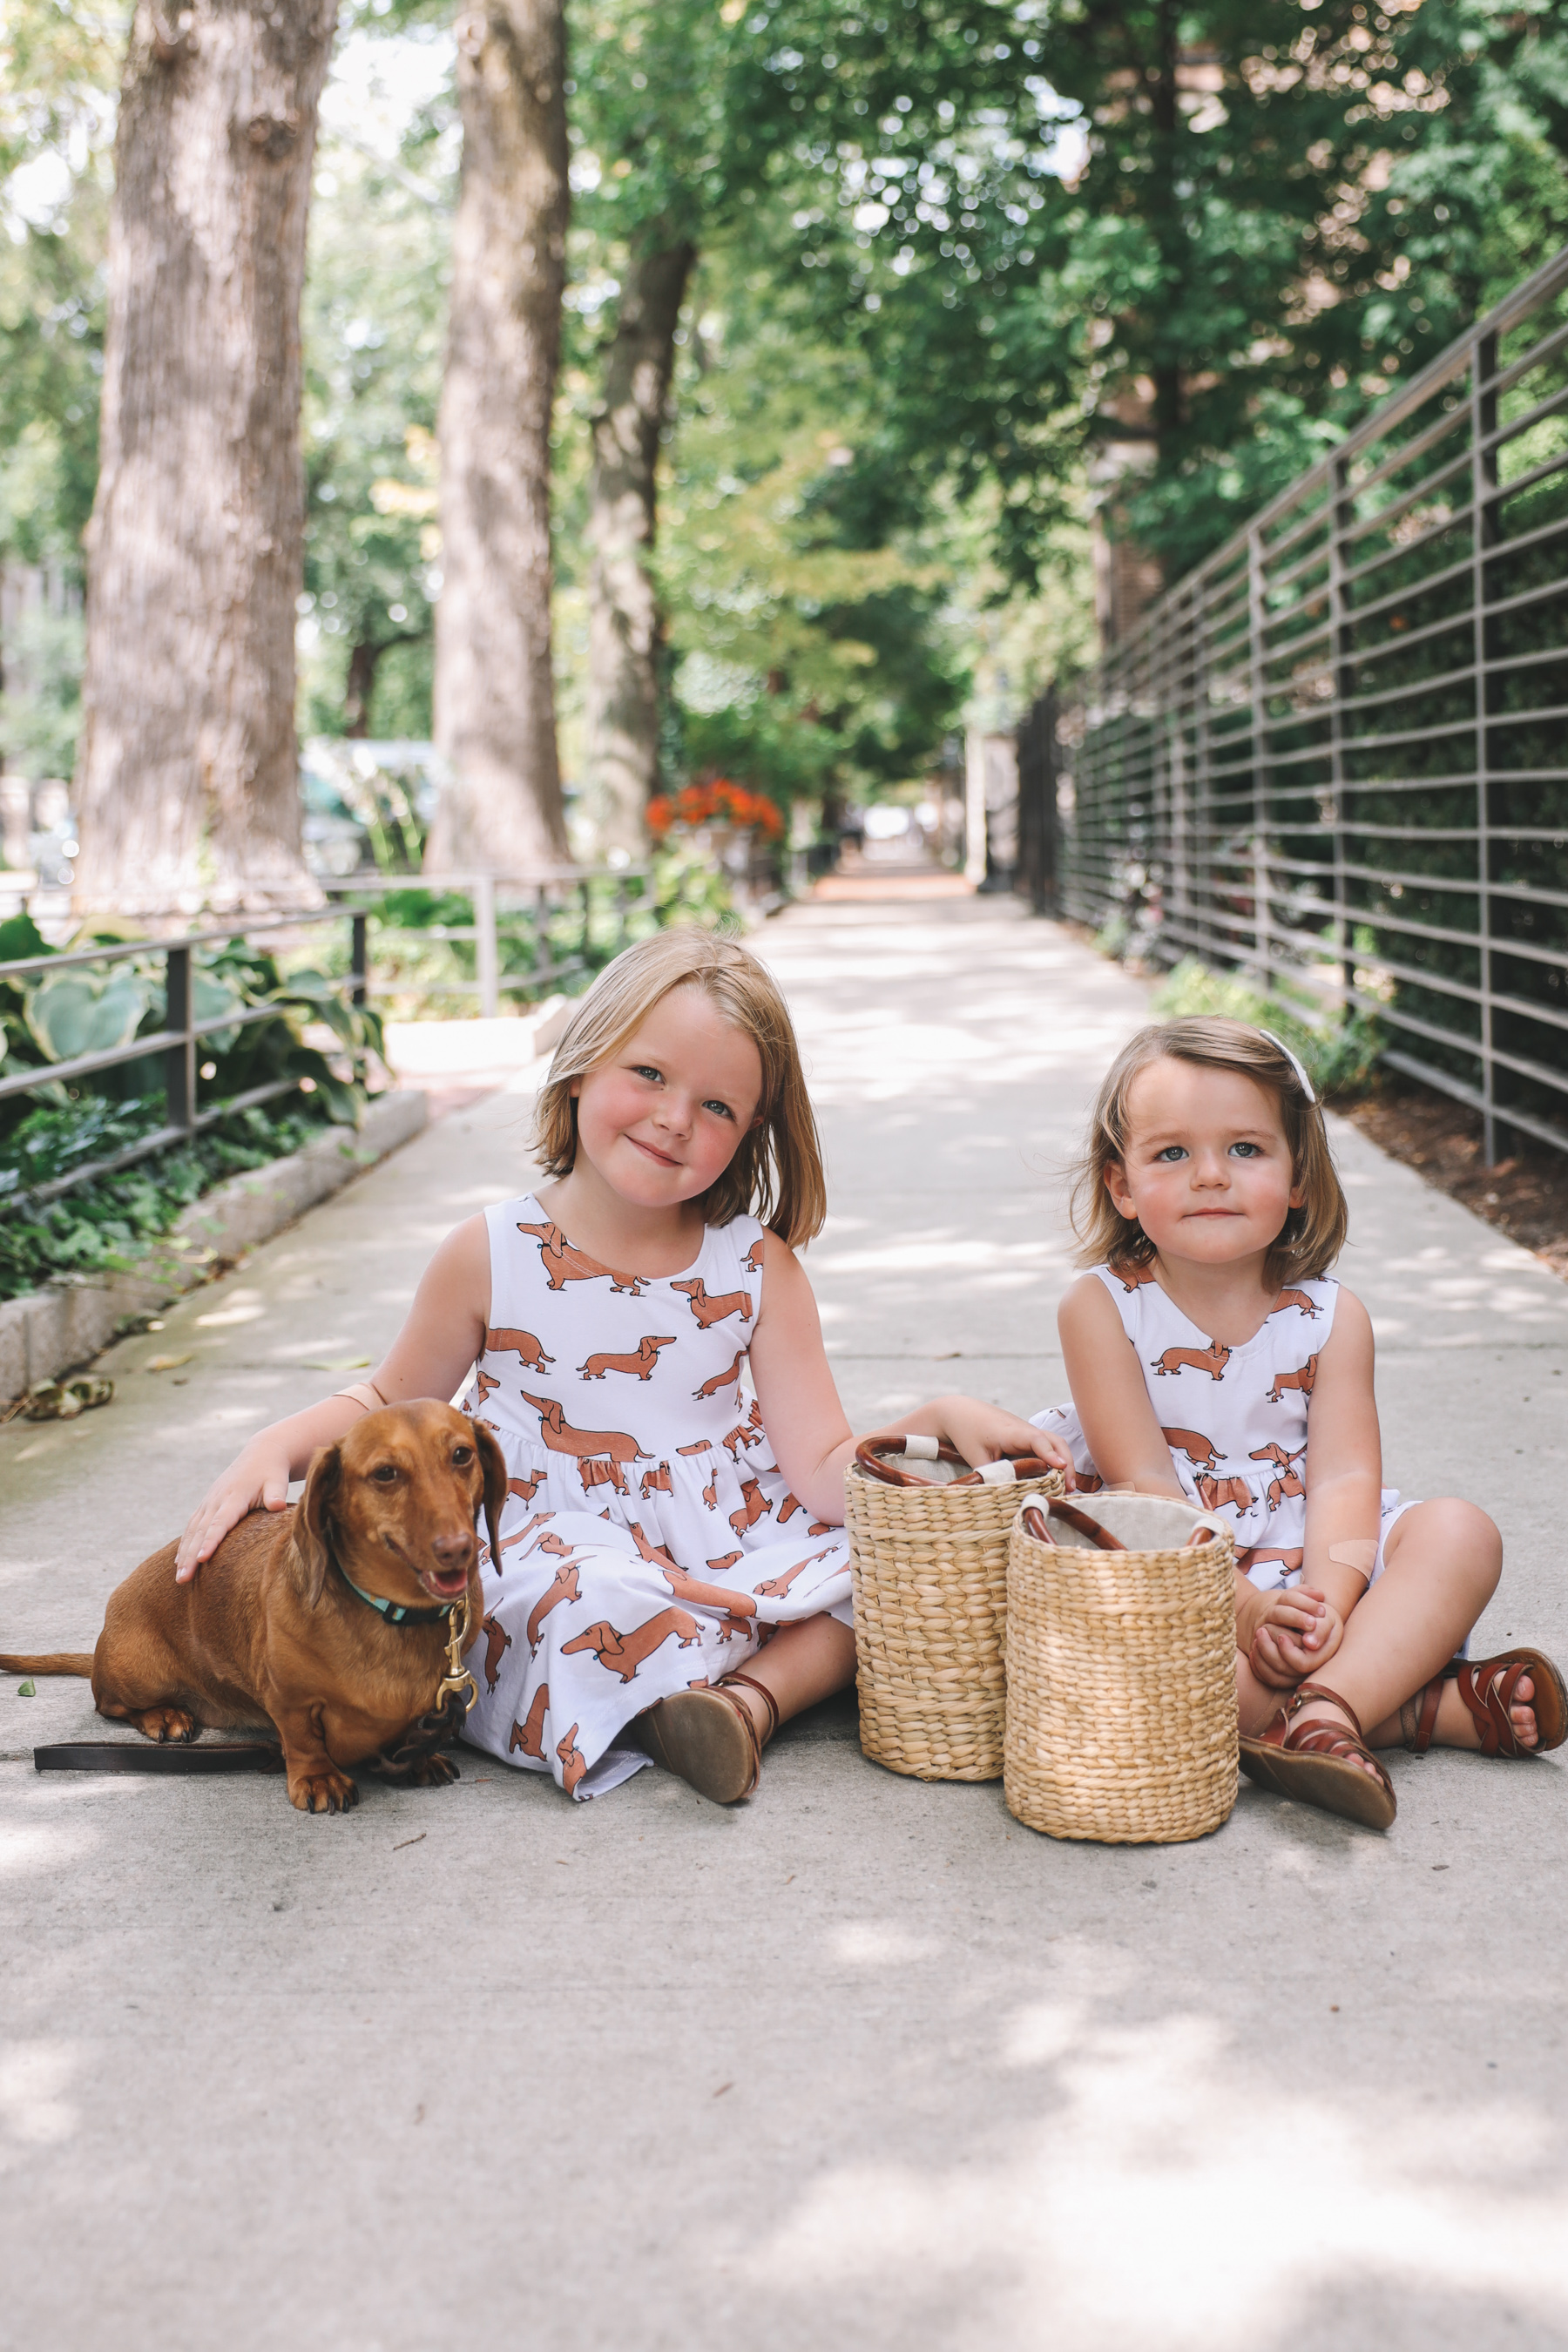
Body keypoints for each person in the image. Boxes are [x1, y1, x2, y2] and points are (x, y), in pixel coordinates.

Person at [177, 928, 1063, 1802]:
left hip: (723, 1542)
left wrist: (930, 1426)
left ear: (753, 1133)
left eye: (718, 1107)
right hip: (553, 1547)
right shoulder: (492, 1251)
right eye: (649, 1074)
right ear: (581, 1065)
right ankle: (668, 1695)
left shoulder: (757, 1266)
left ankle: (745, 1705)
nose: (676, 1119)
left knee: (880, 1560)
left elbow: (826, 1472)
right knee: (584, 1598)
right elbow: (386, 1399)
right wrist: (276, 1448)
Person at [1031, 1016, 1565, 1830]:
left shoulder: (1330, 1316)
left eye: (1245, 1148)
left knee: (1463, 1533)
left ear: (1299, 1177)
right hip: (1184, 1575)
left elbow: (1346, 1478)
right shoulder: (1103, 1309)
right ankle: (1417, 1710)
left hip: (1320, 1554)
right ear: (1122, 1185)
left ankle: (1327, 1706)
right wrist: (1246, 1611)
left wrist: (1328, 1604)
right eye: (1172, 1152)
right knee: (1159, 1691)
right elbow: (1144, 1489)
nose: (1211, 1175)